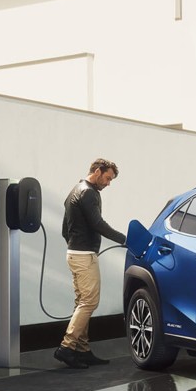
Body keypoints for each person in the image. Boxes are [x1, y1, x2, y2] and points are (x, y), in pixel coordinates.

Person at [55, 158, 126, 369]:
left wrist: (74, 246)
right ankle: (67, 348)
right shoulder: (88, 192)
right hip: (84, 256)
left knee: (81, 302)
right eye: (107, 178)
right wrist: (125, 239)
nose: (108, 183)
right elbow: (97, 224)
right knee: (89, 302)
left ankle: (82, 350)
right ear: (97, 171)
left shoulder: (75, 190)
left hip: (75, 253)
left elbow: (64, 230)